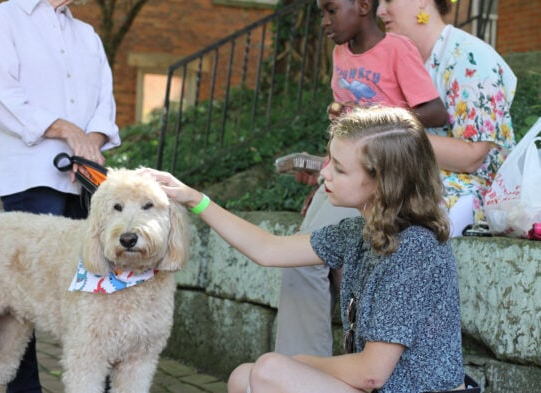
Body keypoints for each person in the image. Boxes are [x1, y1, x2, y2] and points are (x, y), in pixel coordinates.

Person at [146, 105, 480, 393]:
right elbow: (269, 250)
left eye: (339, 167)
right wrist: (194, 199)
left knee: (268, 373)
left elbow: (371, 372)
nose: (324, 174)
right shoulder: (361, 232)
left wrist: (301, 363)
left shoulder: (415, 249)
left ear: (383, 182)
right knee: (243, 378)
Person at [275, 0, 449, 358]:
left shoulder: (397, 48)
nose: (325, 21)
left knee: (306, 261)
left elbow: (434, 111)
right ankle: (299, 367)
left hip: (381, 181)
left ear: (364, 6)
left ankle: (303, 371)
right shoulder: (340, 54)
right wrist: (329, 170)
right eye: (321, 12)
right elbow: (347, 124)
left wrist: (377, 121)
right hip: (345, 173)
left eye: (332, 10)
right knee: (298, 261)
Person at [0, 0, 120, 392]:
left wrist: (89, 143)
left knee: (99, 290)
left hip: (85, 183)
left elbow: (105, 106)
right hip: (27, 177)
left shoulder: (87, 35)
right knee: (21, 301)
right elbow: (4, 97)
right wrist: (68, 131)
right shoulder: (2, 20)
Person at [376, 0, 517, 235]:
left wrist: (390, 135)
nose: (380, 11)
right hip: (415, 181)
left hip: (476, 193)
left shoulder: (471, 57)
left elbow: (473, 157)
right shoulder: (396, 62)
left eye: (388, 0)